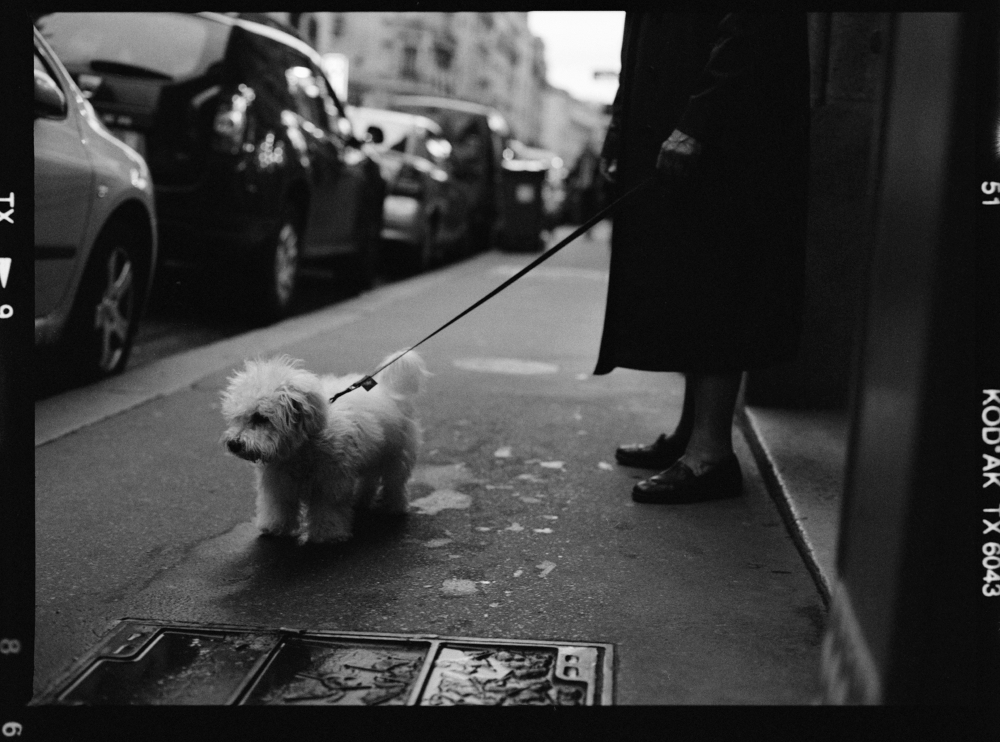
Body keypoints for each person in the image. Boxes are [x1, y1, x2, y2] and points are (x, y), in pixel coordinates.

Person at [595, 13, 810, 503]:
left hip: (722, 138)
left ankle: (710, 454)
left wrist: (698, 124)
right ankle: (692, 433)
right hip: (674, 121)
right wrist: (620, 128)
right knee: (686, 280)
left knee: (716, 279)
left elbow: (750, 30)